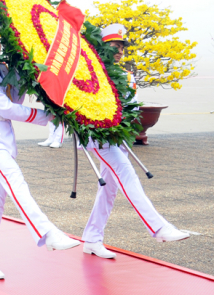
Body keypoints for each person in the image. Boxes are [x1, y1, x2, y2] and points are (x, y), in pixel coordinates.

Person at [0, 18, 79, 280]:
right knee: (16, 182)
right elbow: (7, 108)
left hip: (3, 138)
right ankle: (46, 233)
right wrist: (48, 117)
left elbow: (18, 95)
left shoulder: (3, 68)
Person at [81, 23, 189, 259]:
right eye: (114, 46)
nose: (119, 50)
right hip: (99, 138)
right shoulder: (90, 72)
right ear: (101, 47)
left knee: (108, 191)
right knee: (128, 175)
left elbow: (131, 108)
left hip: (119, 138)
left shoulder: (127, 76)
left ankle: (92, 238)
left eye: (121, 46)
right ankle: (158, 227)